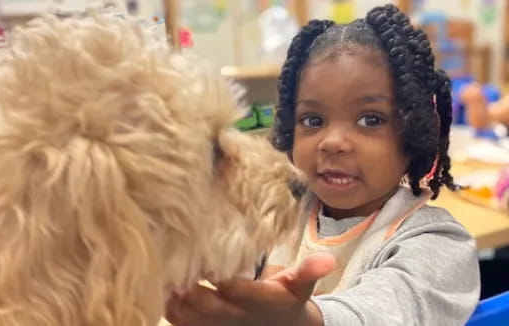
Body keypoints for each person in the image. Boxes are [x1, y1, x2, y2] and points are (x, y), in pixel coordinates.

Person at [165, 4, 480, 326]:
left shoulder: (437, 242)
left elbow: (389, 312)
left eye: (370, 119)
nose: (332, 142)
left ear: (414, 135)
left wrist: (304, 319)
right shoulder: (277, 217)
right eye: (312, 120)